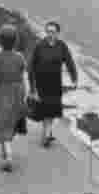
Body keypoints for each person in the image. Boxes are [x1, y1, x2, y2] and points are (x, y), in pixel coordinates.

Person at [28, 18, 78, 147]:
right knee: (46, 111)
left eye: (53, 32)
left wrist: (74, 78)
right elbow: (31, 66)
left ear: (57, 33)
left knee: (51, 111)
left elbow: (69, 62)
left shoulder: (62, 46)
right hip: (41, 83)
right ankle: (47, 134)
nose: (50, 34)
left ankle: (47, 134)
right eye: (48, 31)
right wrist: (32, 87)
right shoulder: (40, 46)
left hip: (55, 83)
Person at [0, 23, 26, 170]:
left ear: (0, 40)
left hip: (2, 91)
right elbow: (22, 74)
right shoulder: (20, 57)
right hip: (17, 91)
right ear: (15, 41)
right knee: (9, 122)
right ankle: (4, 152)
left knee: (2, 122)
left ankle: (8, 155)